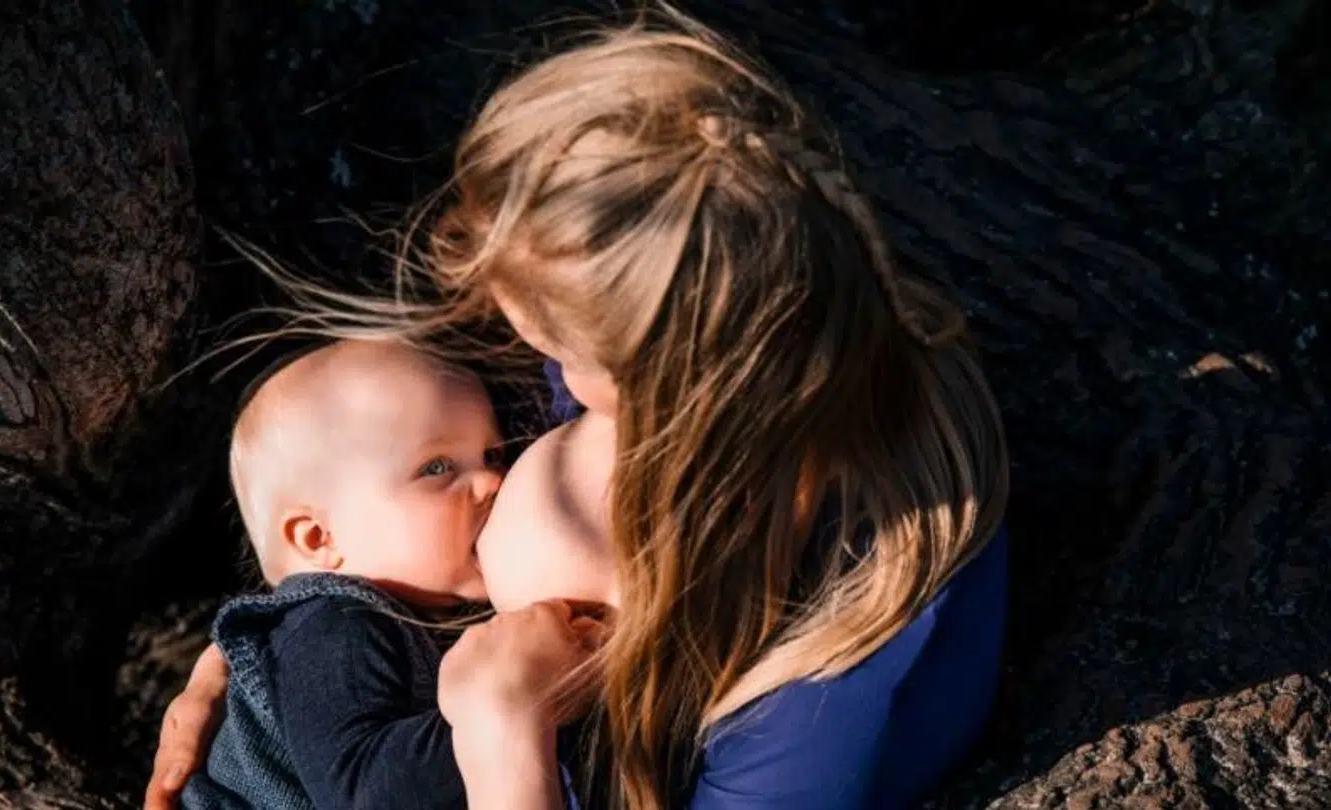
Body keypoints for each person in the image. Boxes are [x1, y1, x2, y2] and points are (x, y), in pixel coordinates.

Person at [146, 10, 1010, 810]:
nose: (511, 333)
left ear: (654, 392)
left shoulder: (807, 691)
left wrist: (503, 736)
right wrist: (275, 651)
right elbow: (354, 508)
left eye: (545, 331)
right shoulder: (774, 300)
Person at [177, 339, 507, 810]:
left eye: (492, 455)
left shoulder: (401, 615)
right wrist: (508, 699)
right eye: (437, 467)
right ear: (319, 539)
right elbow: (364, 794)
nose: (493, 481)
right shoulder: (337, 626)